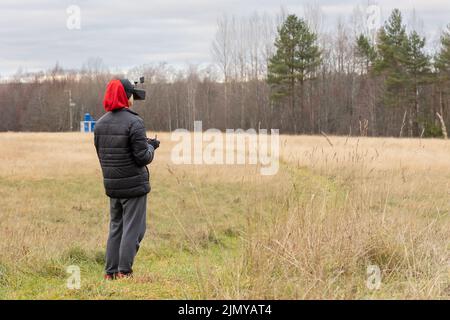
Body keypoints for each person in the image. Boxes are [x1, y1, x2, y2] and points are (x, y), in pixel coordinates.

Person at [94, 79, 160, 280]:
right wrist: (151, 146)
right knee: (135, 228)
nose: (133, 99)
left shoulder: (100, 124)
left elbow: (103, 154)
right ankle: (125, 271)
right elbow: (143, 157)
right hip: (133, 186)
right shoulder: (135, 122)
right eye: (131, 95)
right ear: (126, 96)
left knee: (116, 227)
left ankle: (110, 272)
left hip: (113, 185)